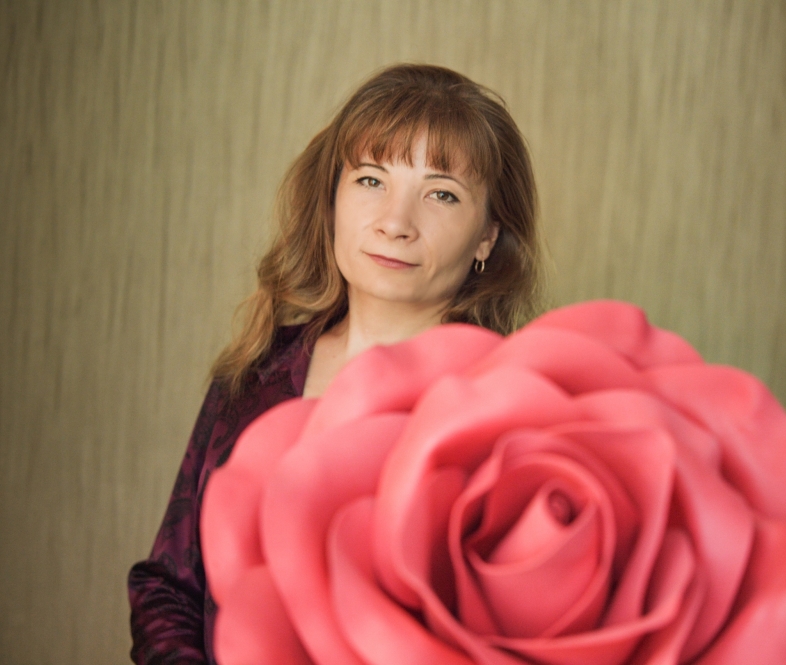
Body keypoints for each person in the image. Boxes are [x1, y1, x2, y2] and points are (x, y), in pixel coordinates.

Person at [127, 63, 542, 664]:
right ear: (332, 199)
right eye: (371, 180)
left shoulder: (510, 409)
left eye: (442, 194)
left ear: (487, 237)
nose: (395, 223)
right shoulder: (258, 370)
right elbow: (168, 585)